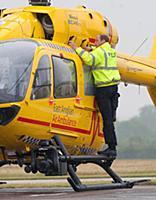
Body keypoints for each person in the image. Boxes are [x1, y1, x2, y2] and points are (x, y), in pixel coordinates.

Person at [69, 34, 121, 157]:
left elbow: (89, 60)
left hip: (103, 89)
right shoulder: (110, 51)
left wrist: (76, 48)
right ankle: (112, 146)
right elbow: (98, 55)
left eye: (97, 40)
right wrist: (90, 50)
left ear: (103, 41)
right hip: (113, 88)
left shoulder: (99, 52)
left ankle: (111, 147)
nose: (95, 42)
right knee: (110, 119)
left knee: (106, 119)